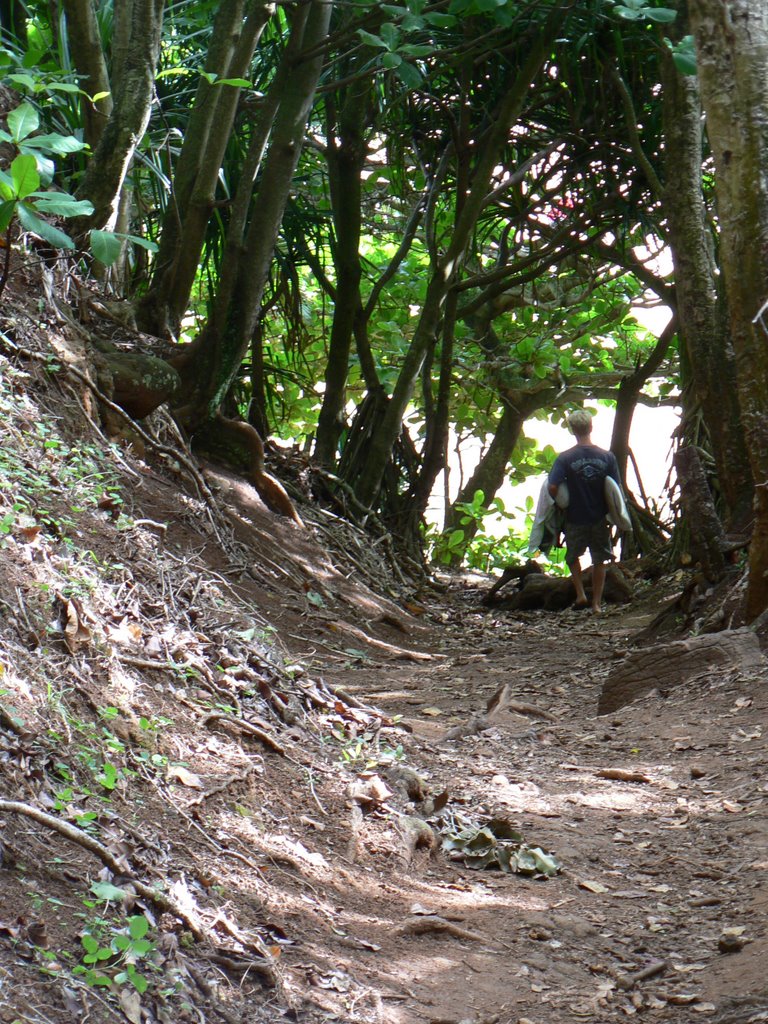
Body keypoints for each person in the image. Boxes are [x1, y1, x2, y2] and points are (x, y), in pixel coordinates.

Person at [548, 410, 622, 614]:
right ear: (591, 427)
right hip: (599, 517)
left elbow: (552, 486)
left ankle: (581, 594)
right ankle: (597, 604)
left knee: (572, 556)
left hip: (574, 517)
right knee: (600, 559)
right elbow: (616, 489)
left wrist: (562, 503)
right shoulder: (607, 457)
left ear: (573, 430)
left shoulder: (565, 458)